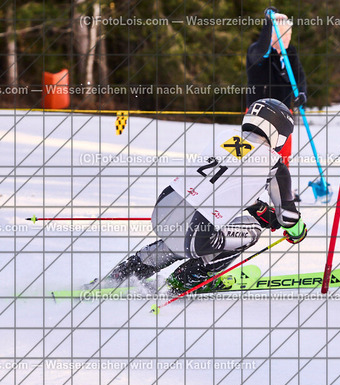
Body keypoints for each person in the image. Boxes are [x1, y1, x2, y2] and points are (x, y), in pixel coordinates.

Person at [87, 99, 307, 294]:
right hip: (196, 230)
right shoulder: (273, 163)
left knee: (181, 238)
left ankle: (122, 274)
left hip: (164, 209)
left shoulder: (225, 136)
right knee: (251, 230)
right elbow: (287, 216)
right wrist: (297, 231)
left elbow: (227, 183)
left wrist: (260, 209)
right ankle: (187, 279)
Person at [246, 7, 308, 167]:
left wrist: (302, 93)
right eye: (282, 34)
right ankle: (254, 181)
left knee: (283, 155)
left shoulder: (290, 52)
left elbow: (299, 76)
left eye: (289, 33)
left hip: (284, 112)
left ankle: (282, 181)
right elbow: (261, 50)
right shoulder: (258, 52)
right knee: (256, 155)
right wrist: (268, 23)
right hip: (260, 111)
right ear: (271, 35)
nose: (287, 38)